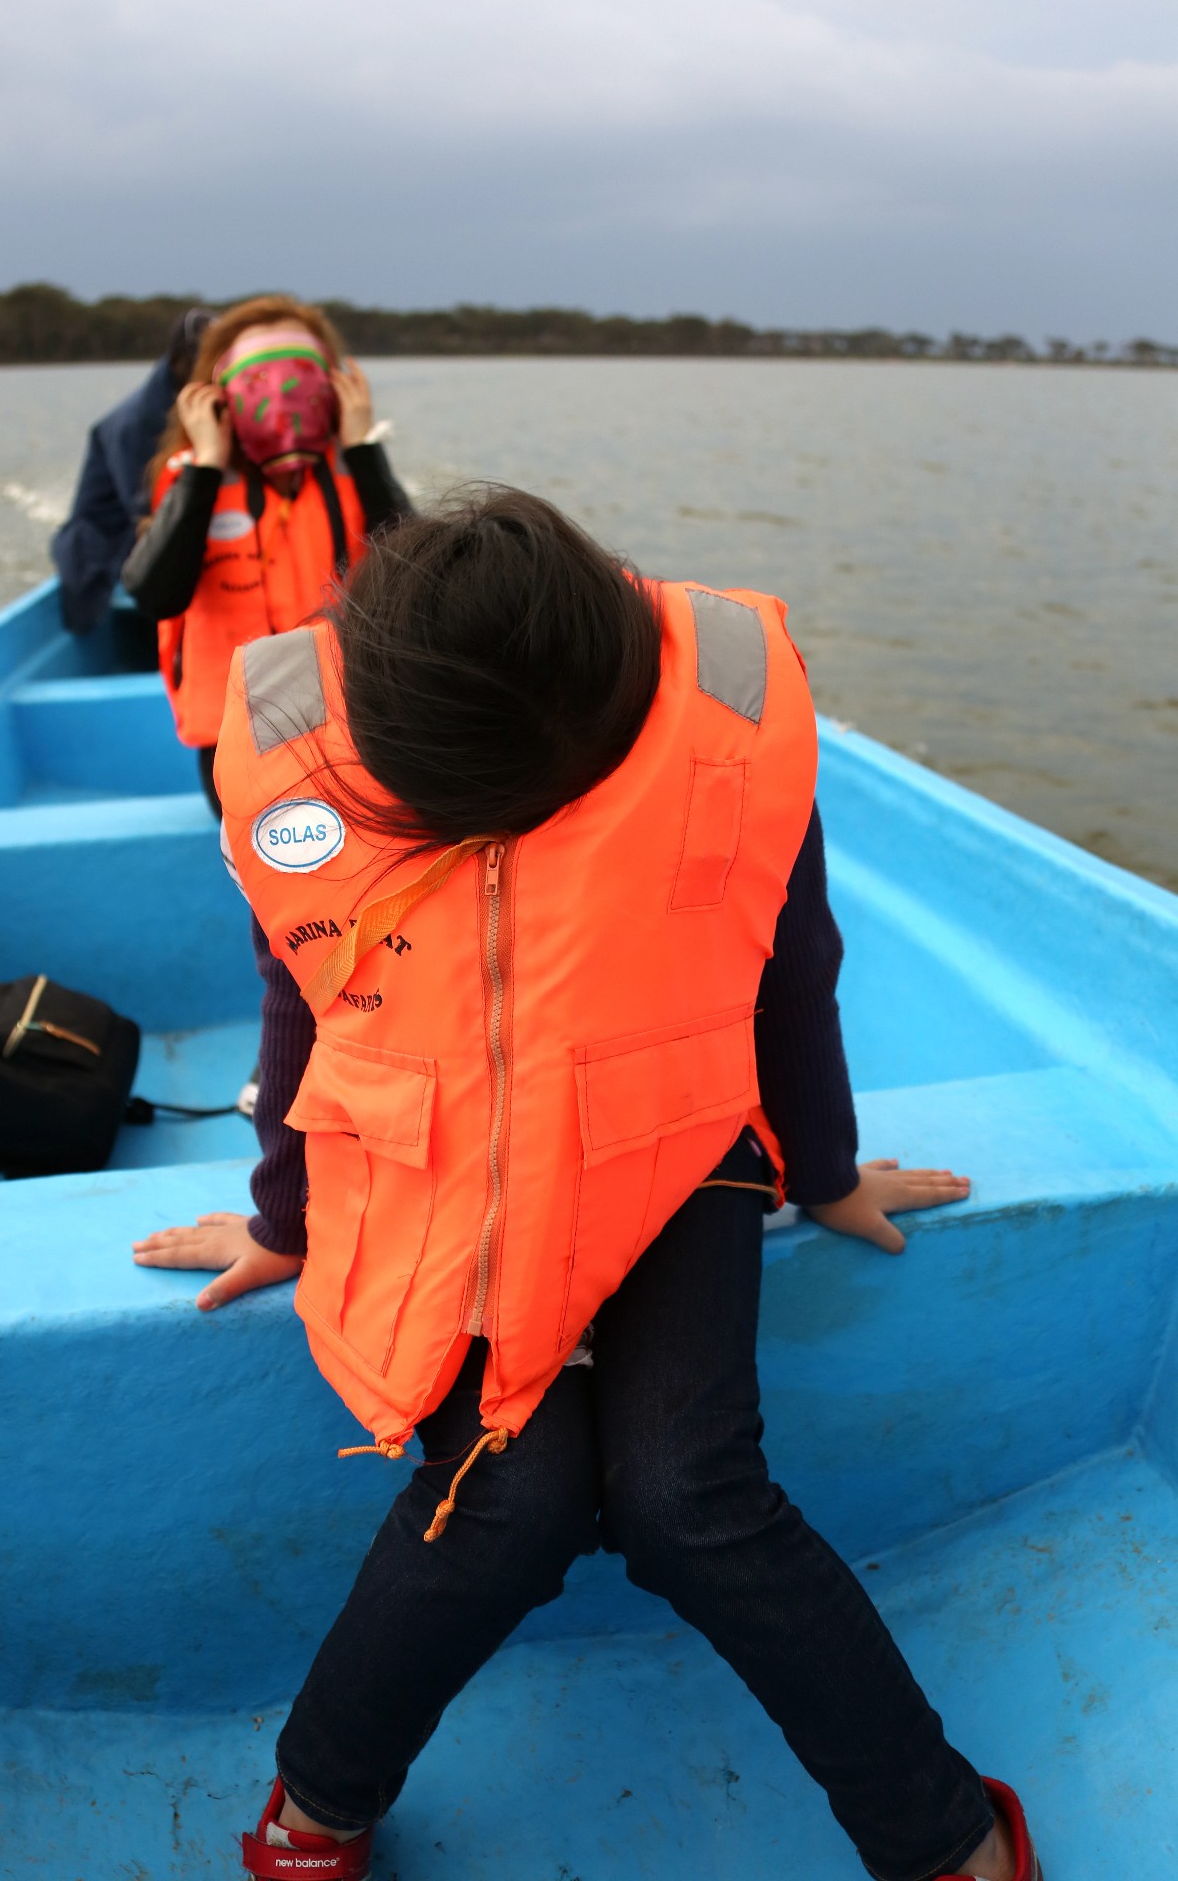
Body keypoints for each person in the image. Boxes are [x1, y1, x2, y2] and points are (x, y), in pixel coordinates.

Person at [132, 489, 1041, 1881]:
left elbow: (790, 971)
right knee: (506, 1493)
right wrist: (282, 1222)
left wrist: (831, 1168)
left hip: (670, 1146)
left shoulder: (724, 728)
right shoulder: (303, 761)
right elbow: (303, 996)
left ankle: (944, 1838)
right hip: (436, 1168)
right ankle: (317, 1804)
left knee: (690, 1497)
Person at [121, 294, 410, 815]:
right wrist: (206, 465)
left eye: (301, 376)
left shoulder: (355, 467)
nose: (281, 396)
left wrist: (365, 448)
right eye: (258, 380)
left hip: (355, 723)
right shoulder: (194, 478)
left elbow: (422, 578)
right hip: (237, 730)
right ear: (218, 395)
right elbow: (155, 594)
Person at [51, 308, 213, 635]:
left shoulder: (191, 403)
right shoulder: (134, 425)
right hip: (108, 539)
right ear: (180, 361)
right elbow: (145, 511)